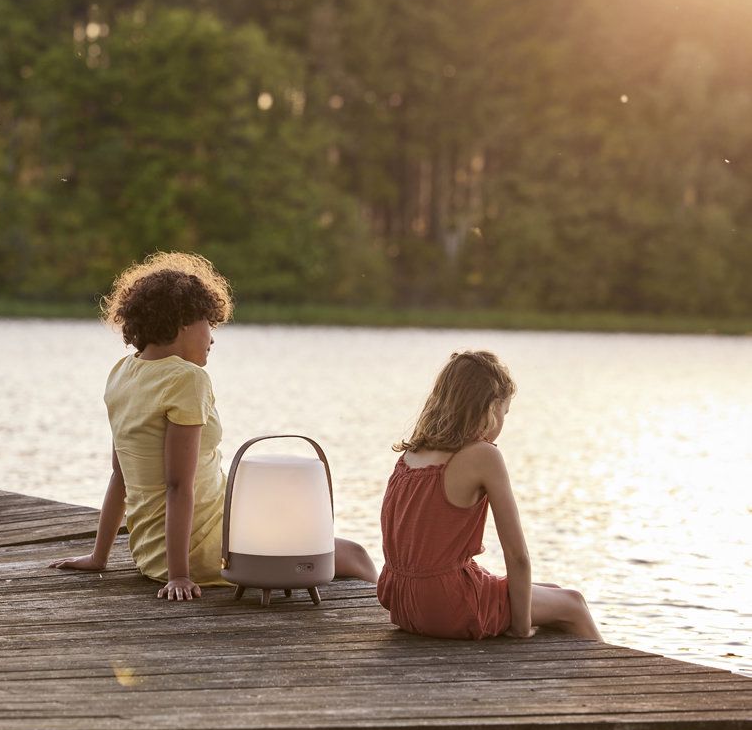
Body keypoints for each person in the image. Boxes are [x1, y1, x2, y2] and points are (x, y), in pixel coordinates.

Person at [50, 251, 376, 599]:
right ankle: (387, 606)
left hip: (150, 554)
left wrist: (99, 558)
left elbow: (120, 475)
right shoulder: (187, 379)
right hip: (205, 550)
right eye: (209, 323)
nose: (213, 337)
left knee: (285, 522)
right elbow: (178, 485)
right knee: (353, 553)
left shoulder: (123, 373)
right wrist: (179, 575)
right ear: (183, 322)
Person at [377, 349, 602, 641]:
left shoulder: (413, 452)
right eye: (505, 412)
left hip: (401, 599)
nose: (503, 422)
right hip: (446, 604)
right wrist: (520, 628)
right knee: (573, 603)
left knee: (554, 592)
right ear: (491, 407)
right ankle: (611, 678)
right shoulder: (482, 455)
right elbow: (517, 555)